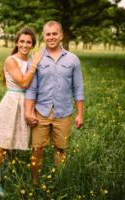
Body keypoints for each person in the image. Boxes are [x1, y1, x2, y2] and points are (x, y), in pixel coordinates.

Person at [24, 21, 84, 185]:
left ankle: (59, 182)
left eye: (54, 34)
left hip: (63, 111)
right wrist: (28, 113)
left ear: (61, 36)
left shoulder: (73, 60)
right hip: (40, 111)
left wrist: (80, 114)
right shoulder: (36, 59)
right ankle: (35, 183)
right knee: (37, 149)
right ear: (44, 36)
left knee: (61, 148)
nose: (51, 37)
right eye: (48, 34)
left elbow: (78, 88)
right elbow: (31, 90)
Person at [0, 27, 42, 197]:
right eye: (22, 41)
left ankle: (9, 171)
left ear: (33, 44)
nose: (25, 45)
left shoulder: (30, 61)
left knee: (12, 144)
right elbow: (23, 83)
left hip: (26, 104)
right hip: (11, 104)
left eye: (29, 42)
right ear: (16, 42)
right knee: (3, 145)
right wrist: (34, 63)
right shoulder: (11, 60)